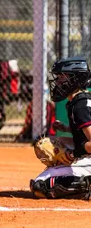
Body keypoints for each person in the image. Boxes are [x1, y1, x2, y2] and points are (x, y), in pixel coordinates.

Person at [30, 57, 91, 199]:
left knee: (40, 185)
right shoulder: (81, 100)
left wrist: (72, 154)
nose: (57, 82)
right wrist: (65, 128)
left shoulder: (80, 105)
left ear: (75, 79)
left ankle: (86, 183)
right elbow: (84, 133)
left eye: (61, 78)